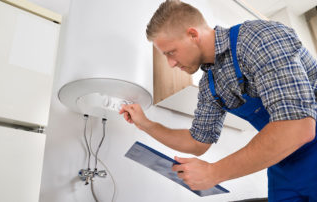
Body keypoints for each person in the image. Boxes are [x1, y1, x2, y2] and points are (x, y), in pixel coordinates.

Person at [119, 0, 317, 201]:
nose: (170, 63)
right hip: (284, 165)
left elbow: (297, 126)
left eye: (171, 52)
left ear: (193, 35)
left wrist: (214, 172)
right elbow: (197, 142)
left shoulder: (257, 38)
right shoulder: (210, 86)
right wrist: (146, 124)